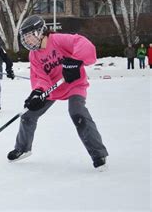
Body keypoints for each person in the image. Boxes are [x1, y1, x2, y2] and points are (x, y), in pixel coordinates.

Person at [8, 15, 109, 171]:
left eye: (30, 36)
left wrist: (75, 61)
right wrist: (37, 92)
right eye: (25, 38)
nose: (27, 41)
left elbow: (83, 44)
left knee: (77, 113)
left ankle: (98, 154)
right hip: (53, 88)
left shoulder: (59, 40)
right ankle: (23, 148)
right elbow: (39, 77)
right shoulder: (34, 55)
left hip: (74, 84)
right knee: (28, 114)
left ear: (41, 32)